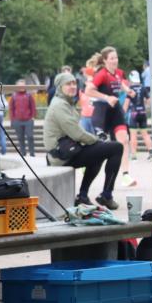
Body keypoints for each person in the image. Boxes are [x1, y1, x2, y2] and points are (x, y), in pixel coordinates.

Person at [43, 72, 123, 209]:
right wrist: (96, 140)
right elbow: (77, 133)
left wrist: (95, 142)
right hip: (61, 156)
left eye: (74, 83)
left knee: (98, 153)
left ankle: (83, 196)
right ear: (60, 87)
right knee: (116, 148)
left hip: (67, 150)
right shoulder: (59, 105)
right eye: (68, 84)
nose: (73, 86)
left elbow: (76, 133)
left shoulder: (65, 103)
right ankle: (106, 195)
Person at [85, 46, 137, 187]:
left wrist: (128, 91)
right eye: (112, 58)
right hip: (102, 112)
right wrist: (107, 97)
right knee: (100, 145)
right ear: (105, 60)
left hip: (115, 111)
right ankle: (86, 165)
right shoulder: (101, 74)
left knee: (124, 140)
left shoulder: (118, 73)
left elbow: (120, 83)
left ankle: (125, 175)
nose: (115, 60)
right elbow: (88, 91)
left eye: (116, 57)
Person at [8, 79, 37, 158]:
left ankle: (32, 153)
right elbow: (11, 109)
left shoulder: (29, 95)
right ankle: (23, 153)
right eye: (20, 86)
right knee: (20, 138)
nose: (22, 87)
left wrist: (33, 117)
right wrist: (12, 119)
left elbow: (33, 107)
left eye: (23, 85)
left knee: (30, 136)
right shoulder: (13, 96)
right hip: (17, 120)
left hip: (28, 120)